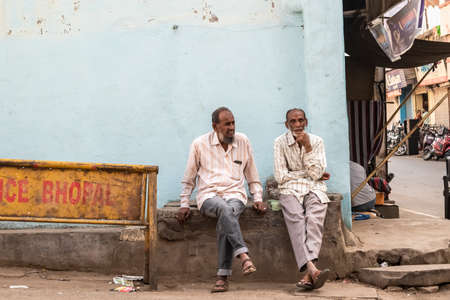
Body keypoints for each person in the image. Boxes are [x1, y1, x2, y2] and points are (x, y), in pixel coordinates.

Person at [177, 107, 267, 293]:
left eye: (233, 123)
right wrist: (184, 203)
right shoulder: (199, 144)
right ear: (215, 126)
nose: (231, 128)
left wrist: (257, 197)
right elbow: (189, 176)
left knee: (227, 214)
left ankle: (223, 277)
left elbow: (252, 173)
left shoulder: (243, 141)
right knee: (225, 210)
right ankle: (243, 255)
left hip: (235, 195)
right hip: (209, 196)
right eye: (227, 124)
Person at [273, 108, 330, 291]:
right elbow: (280, 176)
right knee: (296, 220)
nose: (297, 125)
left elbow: (315, 174)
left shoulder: (316, 142)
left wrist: (307, 147)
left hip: (315, 188)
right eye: (293, 121)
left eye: (300, 120)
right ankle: (312, 268)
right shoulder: (279, 143)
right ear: (287, 124)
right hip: (289, 189)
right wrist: (306, 174)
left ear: (305, 121)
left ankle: (309, 273)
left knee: (314, 219)